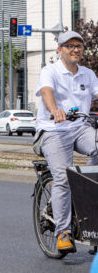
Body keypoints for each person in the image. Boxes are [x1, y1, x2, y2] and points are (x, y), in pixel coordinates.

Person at [35, 31, 98, 252]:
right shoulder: (49, 71)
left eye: (78, 46)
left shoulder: (88, 74)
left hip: (80, 128)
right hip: (54, 130)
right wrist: (55, 110)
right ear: (60, 50)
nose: (75, 49)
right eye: (69, 46)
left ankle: (86, 185)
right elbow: (46, 92)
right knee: (62, 178)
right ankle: (63, 232)